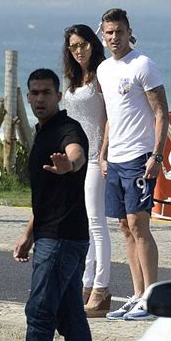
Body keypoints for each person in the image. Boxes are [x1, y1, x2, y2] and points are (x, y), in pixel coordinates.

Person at [0, 69, 100, 341]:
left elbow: (76, 153)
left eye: (45, 92)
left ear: (58, 94)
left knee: (39, 314)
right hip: (55, 235)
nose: (38, 99)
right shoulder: (42, 132)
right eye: (33, 93)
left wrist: (71, 165)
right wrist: (28, 234)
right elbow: (45, 197)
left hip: (62, 240)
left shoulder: (67, 129)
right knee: (70, 317)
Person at [97, 8, 170, 321]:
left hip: (140, 157)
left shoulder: (143, 65)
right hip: (115, 158)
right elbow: (113, 116)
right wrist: (103, 153)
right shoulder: (103, 69)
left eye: (119, 31)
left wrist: (156, 154)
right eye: (109, 32)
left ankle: (151, 297)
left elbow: (161, 113)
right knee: (124, 226)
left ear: (129, 32)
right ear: (103, 34)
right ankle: (137, 293)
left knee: (139, 225)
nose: (114, 37)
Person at [63, 24, 112, 317]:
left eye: (83, 44)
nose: (79, 51)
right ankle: (86, 282)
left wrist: (104, 153)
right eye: (73, 47)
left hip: (96, 155)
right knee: (83, 223)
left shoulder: (102, 74)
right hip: (76, 158)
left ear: (93, 44)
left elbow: (110, 117)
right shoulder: (73, 78)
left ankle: (102, 287)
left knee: (97, 223)